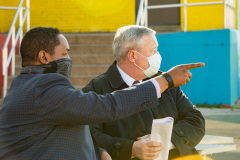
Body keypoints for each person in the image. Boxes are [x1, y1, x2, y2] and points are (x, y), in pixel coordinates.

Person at [0, 27, 204, 160]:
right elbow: (105, 107)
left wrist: (99, 153)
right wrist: (165, 80)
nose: (69, 59)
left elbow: (61, 132)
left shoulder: (27, 86)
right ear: (44, 57)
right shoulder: (44, 87)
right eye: (65, 54)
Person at [82, 25, 205, 160]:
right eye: (154, 51)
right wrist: (131, 148)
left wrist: (164, 141)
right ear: (133, 56)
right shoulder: (96, 90)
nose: (158, 56)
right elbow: (88, 136)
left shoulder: (164, 81)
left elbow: (196, 121)